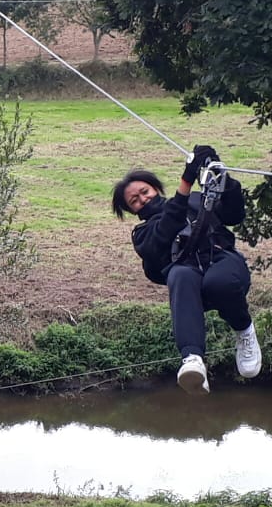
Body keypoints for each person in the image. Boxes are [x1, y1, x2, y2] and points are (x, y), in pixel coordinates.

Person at [111, 144, 262, 395]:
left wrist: (221, 175)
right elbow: (167, 227)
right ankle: (193, 359)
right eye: (134, 201)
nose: (143, 199)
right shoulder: (142, 233)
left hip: (222, 263)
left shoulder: (195, 200)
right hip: (189, 284)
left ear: (156, 188)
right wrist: (186, 180)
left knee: (218, 281)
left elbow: (234, 214)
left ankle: (244, 330)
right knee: (179, 273)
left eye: (144, 192)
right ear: (131, 210)